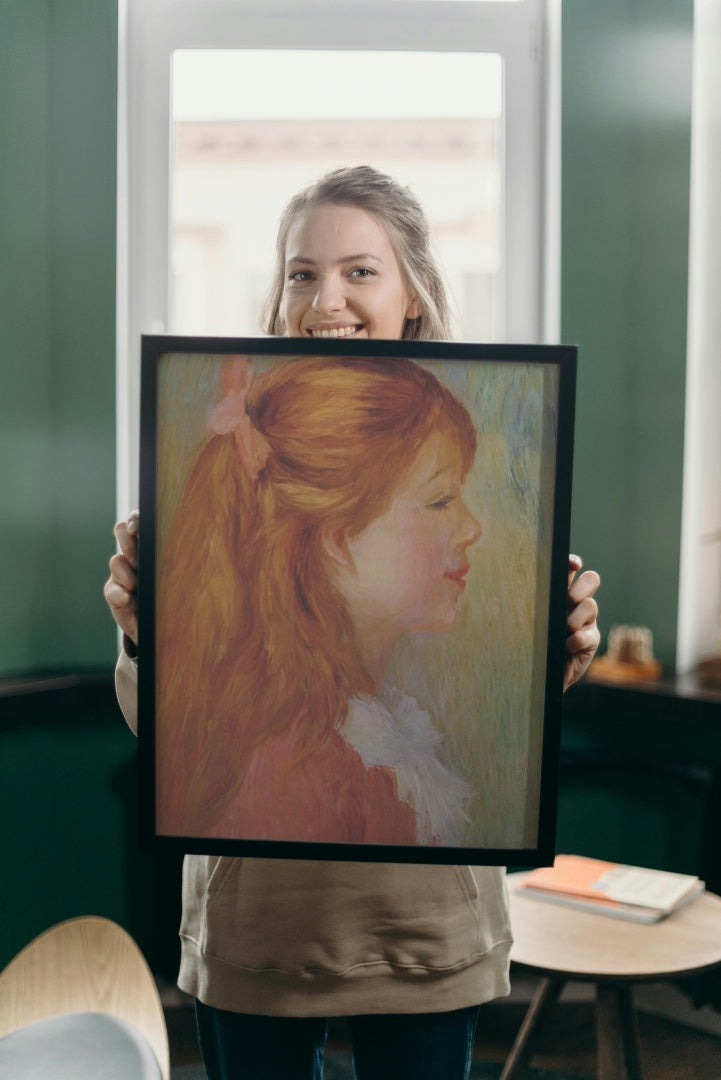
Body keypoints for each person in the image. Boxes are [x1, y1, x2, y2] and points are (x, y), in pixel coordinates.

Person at [105, 165, 601, 1080]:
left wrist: (554, 656)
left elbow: (500, 740)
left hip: (423, 930)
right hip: (262, 928)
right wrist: (146, 637)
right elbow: (177, 736)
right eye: (301, 272)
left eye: (359, 271)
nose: (324, 297)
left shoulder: (455, 413)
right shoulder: (226, 469)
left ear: (413, 290)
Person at [157, 353, 482, 848]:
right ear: (335, 540)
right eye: (440, 501)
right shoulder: (303, 772)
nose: (472, 529)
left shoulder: (367, 732)